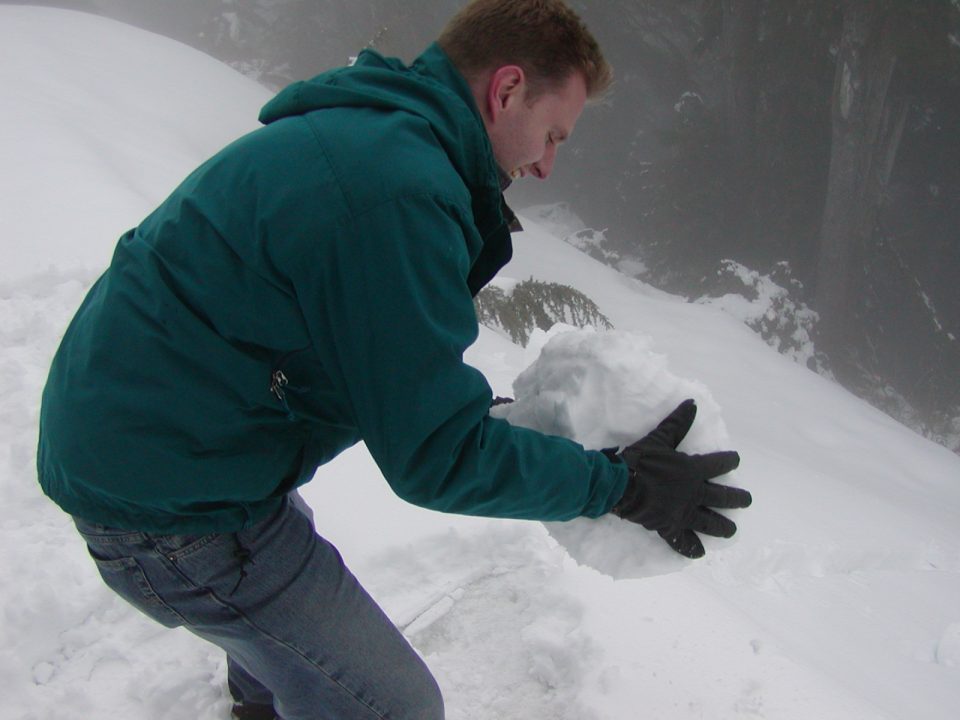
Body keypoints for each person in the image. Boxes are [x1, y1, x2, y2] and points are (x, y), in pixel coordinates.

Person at [37, 1, 752, 718]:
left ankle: (267, 699)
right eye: (552, 133)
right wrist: (618, 488)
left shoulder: (377, 133)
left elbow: (373, 368)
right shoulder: (395, 194)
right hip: (170, 502)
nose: (547, 164)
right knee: (395, 706)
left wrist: (528, 430)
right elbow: (436, 459)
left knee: (289, 645)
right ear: (506, 91)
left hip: (163, 432)